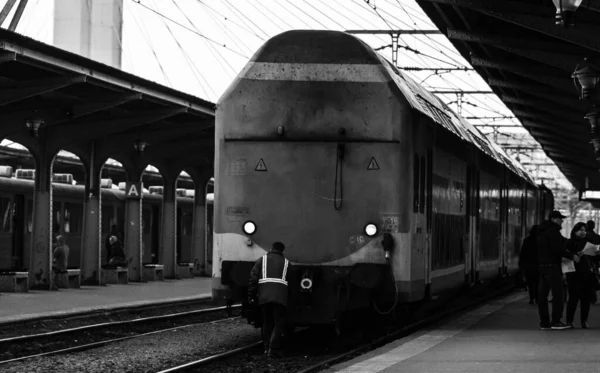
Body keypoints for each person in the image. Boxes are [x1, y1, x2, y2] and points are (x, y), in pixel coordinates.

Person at [537, 210, 579, 330]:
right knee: (558, 295)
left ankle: (544, 322)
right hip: (553, 267)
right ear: (554, 219)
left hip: (542, 267)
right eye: (560, 219)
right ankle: (556, 321)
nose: (562, 221)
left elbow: (561, 243)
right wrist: (572, 256)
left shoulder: (542, 231)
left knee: (542, 296)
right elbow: (558, 248)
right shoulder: (553, 231)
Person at [248, 242, 290, 358]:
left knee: (266, 322)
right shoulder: (286, 263)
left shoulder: (262, 260)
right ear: (282, 251)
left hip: (264, 297)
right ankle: (273, 347)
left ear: (271, 248)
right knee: (278, 323)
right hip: (280, 298)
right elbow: (291, 283)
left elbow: (253, 278)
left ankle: (266, 348)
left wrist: (251, 295)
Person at [565, 222, 594, 329]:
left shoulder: (588, 243)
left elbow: (593, 258)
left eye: (584, 230)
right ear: (575, 230)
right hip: (573, 273)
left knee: (585, 299)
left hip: (586, 273)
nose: (583, 232)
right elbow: (566, 257)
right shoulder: (569, 242)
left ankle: (584, 321)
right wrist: (577, 254)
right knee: (573, 297)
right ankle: (569, 320)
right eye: (581, 230)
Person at [519, 225, 539, 305]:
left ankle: (531, 298)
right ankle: (537, 299)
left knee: (530, 283)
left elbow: (523, 253)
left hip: (529, 265)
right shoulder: (540, 240)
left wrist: (521, 264)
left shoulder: (527, 240)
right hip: (538, 265)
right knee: (538, 283)